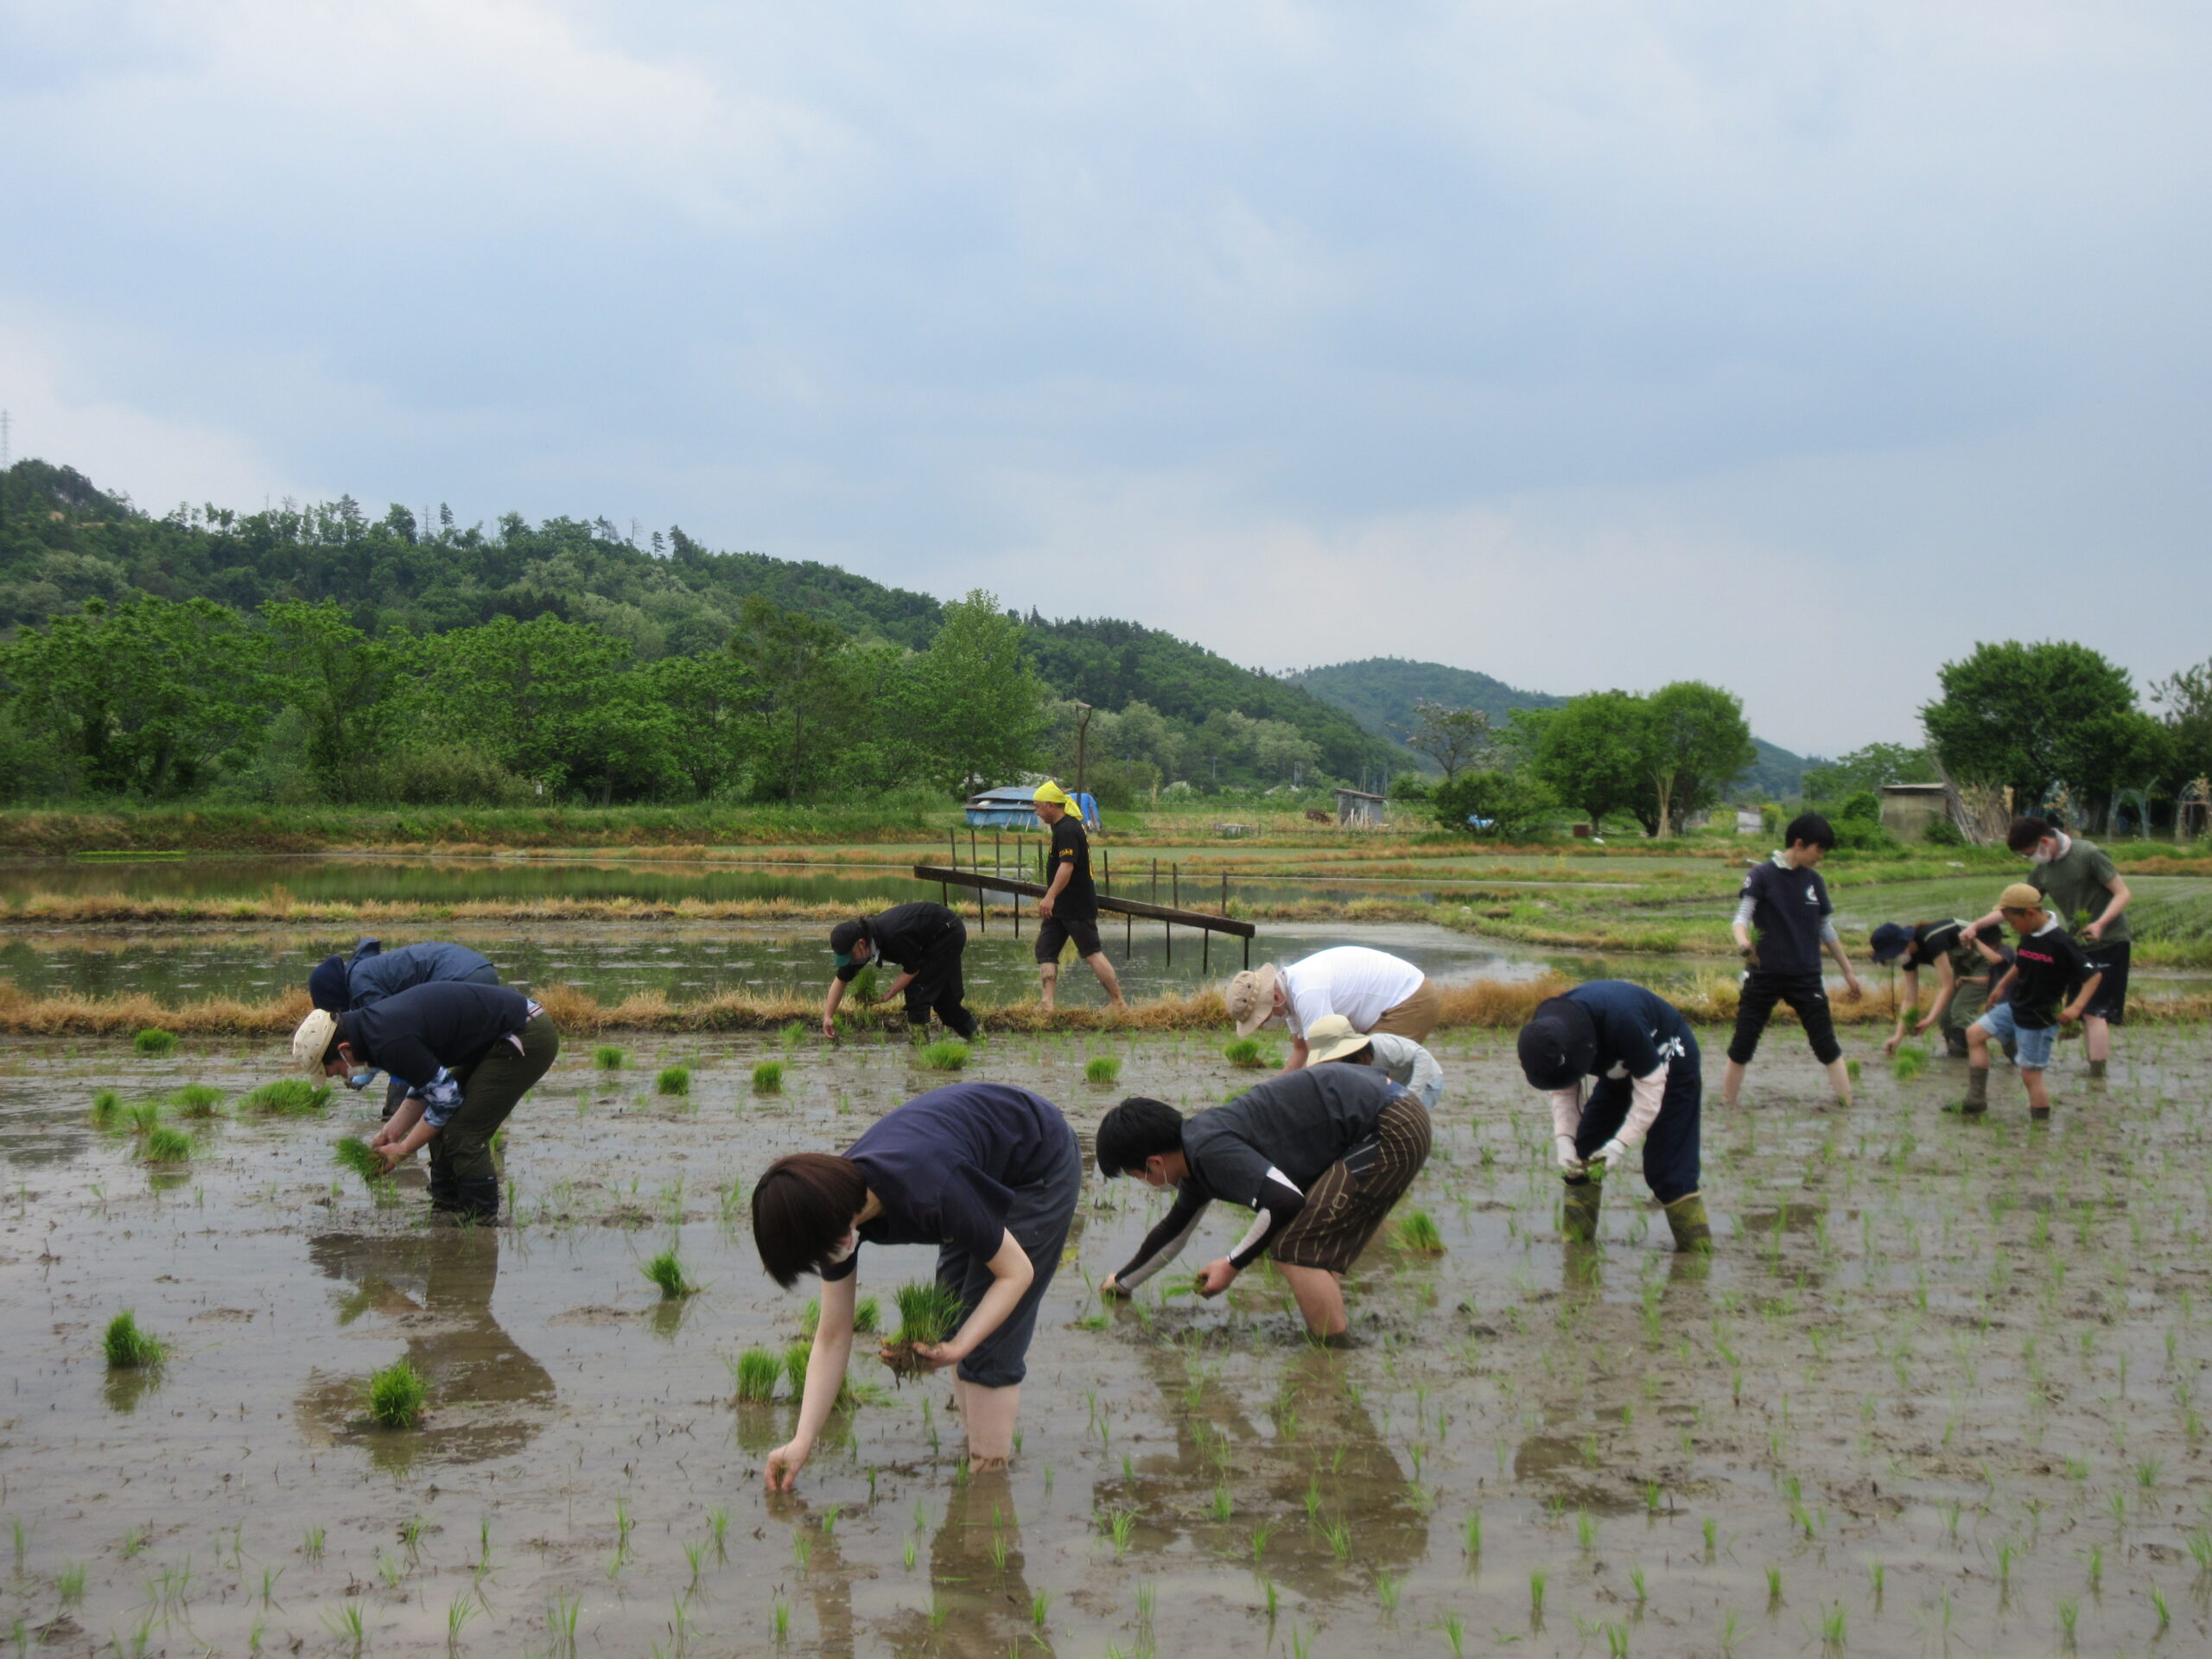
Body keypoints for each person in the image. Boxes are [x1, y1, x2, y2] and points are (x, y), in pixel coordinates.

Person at [750, 1081, 1083, 1486]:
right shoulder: (830, 1210)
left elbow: (1017, 1273)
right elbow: (833, 1335)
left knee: (987, 1348)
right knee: (951, 1317)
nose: (825, 1263)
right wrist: (802, 1440)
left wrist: (961, 1348)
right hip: (973, 1170)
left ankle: (988, 1491)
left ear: (836, 1233)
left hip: (1035, 1163)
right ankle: (977, 1448)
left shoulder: (930, 1187)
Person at [1093, 1064, 1432, 1338]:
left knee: (1294, 1248)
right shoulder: (1195, 1154)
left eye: (1140, 1177)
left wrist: (1232, 1263)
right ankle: (1332, 1343)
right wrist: (1122, 1283)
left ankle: (1333, 1356)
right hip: (1384, 1112)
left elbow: (1284, 1201)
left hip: (1389, 1123)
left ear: (1154, 1162)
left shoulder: (1209, 1150)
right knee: (1307, 1242)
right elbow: (1173, 1232)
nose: (1148, 1184)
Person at [294, 981, 559, 1224]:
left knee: (463, 1133)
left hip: (525, 1033)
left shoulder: (388, 1040)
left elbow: (447, 1099)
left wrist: (403, 1150)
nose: (344, 1077)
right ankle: (446, 1208)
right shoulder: (372, 1033)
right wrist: (391, 1131)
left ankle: (481, 1224)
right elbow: (428, 1086)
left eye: (337, 1071)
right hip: (497, 1038)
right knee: (439, 1124)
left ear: (344, 1050)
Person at [1516, 980, 1709, 1252]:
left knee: (1668, 1172)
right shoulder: (1546, 1033)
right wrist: (1564, 1139)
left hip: (1668, 1058)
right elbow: (1563, 1089)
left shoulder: (1621, 1021)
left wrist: (1620, 1144)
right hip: (1618, 1066)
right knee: (1583, 1157)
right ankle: (1577, 1252)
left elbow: (1651, 1092)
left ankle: (1697, 1254)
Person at [1967, 817, 2133, 1079]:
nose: (2031, 859)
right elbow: (2016, 907)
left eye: (2030, 853)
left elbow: (2123, 893)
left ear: (2045, 841)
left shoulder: (2088, 854)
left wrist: (2100, 924)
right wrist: (1975, 926)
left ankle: (2097, 1073)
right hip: (2077, 943)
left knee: (2094, 1011)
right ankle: (2094, 1070)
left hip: (2110, 940)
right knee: (2083, 1011)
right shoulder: (2043, 869)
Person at [1721, 812, 1863, 1108]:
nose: (1820, 857)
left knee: (1825, 1043)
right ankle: (1727, 1106)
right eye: (1818, 849)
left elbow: (1825, 929)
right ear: (1800, 844)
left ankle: (1846, 1104)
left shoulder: (1814, 881)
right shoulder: (1762, 875)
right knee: (1743, 1043)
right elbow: (1741, 918)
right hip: (1764, 974)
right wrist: (1743, 941)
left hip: (1805, 975)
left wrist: (1848, 971)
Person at [308, 938, 501, 1120]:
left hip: (462, 977)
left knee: (411, 1054)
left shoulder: (361, 983)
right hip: (480, 970)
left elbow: (389, 1034)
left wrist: (370, 1069)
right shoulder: (361, 973)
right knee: (463, 1059)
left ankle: (398, 1112)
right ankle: (475, 1110)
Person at [1961, 883, 2103, 1121]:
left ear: (2029, 913)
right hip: (2016, 1005)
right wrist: (2001, 986)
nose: (2012, 928)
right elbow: (2021, 962)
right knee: (1974, 1034)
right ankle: (1976, 1100)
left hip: (2040, 1017)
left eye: (2013, 922)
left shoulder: (2061, 942)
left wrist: (2076, 1007)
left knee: (2030, 1075)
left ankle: (2040, 1124)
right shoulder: (2029, 935)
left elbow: (2094, 975)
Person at [1223, 944, 1440, 1072]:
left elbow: (1324, 1060)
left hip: (1409, 1000)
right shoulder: (1289, 996)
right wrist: (1269, 1092)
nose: (1263, 1026)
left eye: (1261, 1019)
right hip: (1391, 1005)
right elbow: (1301, 1052)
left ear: (1275, 998)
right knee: (1356, 1078)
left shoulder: (1306, 992)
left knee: (1367, 1078)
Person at [1032, 780, 1125, 1012]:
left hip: (1075, 903)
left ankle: (1118, 1003)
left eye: (1038, 807)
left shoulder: (1068, 829)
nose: (1037, 811)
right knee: (1046, 950)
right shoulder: (1061, 828)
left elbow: (1067, 867)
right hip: (1060, 906)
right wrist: (1053, 900)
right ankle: (1047, 1002)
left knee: (1091, 953)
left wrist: (1049, 896)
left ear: (1051, 805)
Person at [823, 901, 976, 1040]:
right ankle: (978, 1040)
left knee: (918, 993)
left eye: (851, 956)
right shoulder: (862, 944)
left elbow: (912, 970)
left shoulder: (893, 936)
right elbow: (841, 980)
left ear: (861, 943)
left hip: (948, 931)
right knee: (945, 1003)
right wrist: (828, 1016)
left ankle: (919, 1047)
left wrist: (888, 994)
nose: (850, 962)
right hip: (930, 938)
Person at [1868, 918, 2012, 1058]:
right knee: (1945, 1019)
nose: (1894, 959)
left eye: (1892, 954)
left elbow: (1947, 985)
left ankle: (2008, 1046)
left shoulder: (1932, 939)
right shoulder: (1909, 956)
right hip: (1963, 968)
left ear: (1903, 943)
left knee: (1961, 1012)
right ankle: (1962, 1058)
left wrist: (1929, 1020)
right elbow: (1909, 998)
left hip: (1986, 960)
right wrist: (1898, 1036)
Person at [1300, 1012, 1445, 1108]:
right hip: (1396, 1085)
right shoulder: (1347, 1064)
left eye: (1329, 1057)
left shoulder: (1381, 1046)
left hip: (1428, 1081)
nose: (1327, 1063)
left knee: (1410, 1120)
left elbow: (1422, 1056)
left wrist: (1412, 1096)